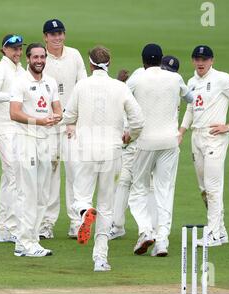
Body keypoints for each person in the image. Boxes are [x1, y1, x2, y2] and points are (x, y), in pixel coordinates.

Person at [62, 46, 144, 271]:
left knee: (80, 196)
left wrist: (72, 122)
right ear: (109, 63)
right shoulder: (120, 87)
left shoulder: (81, 85)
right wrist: (129, 136)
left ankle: (83, 213)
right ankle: (100, 259)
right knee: (106, 207)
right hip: (113, 151)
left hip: (86, 150)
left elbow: (68, 116)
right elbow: (138, 120)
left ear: (90, 64)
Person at [109, 55, 188, 240]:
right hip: (135, 141)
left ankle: (150, 230)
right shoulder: (144, 77)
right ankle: (119, 226)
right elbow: (122, 100)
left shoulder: (167, 85)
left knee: (150, 187)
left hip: (145, 142)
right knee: (125, 182)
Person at [179, 45, 229, 247]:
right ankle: (221, 230)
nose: (200, 62)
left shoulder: (222, 79)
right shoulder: (191, 82)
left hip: (214, 138)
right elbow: (190, 109)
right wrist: (181, 132)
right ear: (193, 61)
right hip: (196, 138)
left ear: (212, 60)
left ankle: (213, 234)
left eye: (205, 59)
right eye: (197, 59)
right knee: (204, 189)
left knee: (213, 187)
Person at [128, 44, 191, 257]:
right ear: (161, 59)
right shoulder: (175, 78)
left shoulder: (137, 78)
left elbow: (123, 97)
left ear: (143, 61)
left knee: (138, 189)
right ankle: (162, 241)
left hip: (145, 142)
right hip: (170, 142)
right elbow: (190, 98)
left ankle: (146, 231)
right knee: (165, 191)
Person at [9, 43, 62, 257]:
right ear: (28, 59)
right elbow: (14, 113)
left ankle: (32, 239)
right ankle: (23, 241)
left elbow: (57, 108)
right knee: (27, 192)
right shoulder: (20, 81)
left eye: (42, 57)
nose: (39, 60)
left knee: (43, 193)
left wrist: (56, 117)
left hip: (45, 140)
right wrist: (38, 121)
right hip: (26, 139)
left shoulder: (50, 82)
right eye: (35, 57)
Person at [40, 19, 87, 239]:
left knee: (75, 172)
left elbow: (83, 88)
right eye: (53, 34)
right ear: (45, 37)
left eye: (60, 33)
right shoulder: (41, 59)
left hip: (71, 125)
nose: (57, 37)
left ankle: (76, 221)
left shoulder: (75, 55)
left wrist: (74, 120)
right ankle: (47, 223)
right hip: (48, 125)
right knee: (50, 172)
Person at [0, 34, 26, 243]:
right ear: (4, 49)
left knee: (9, 175)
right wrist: (13, 95)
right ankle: (11, 227)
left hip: (17, 126)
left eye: (20, 49)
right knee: (13, 171)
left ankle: (3, 228)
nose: (18, 53)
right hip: (2, 125)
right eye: (14, 49)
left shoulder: (20, 69)